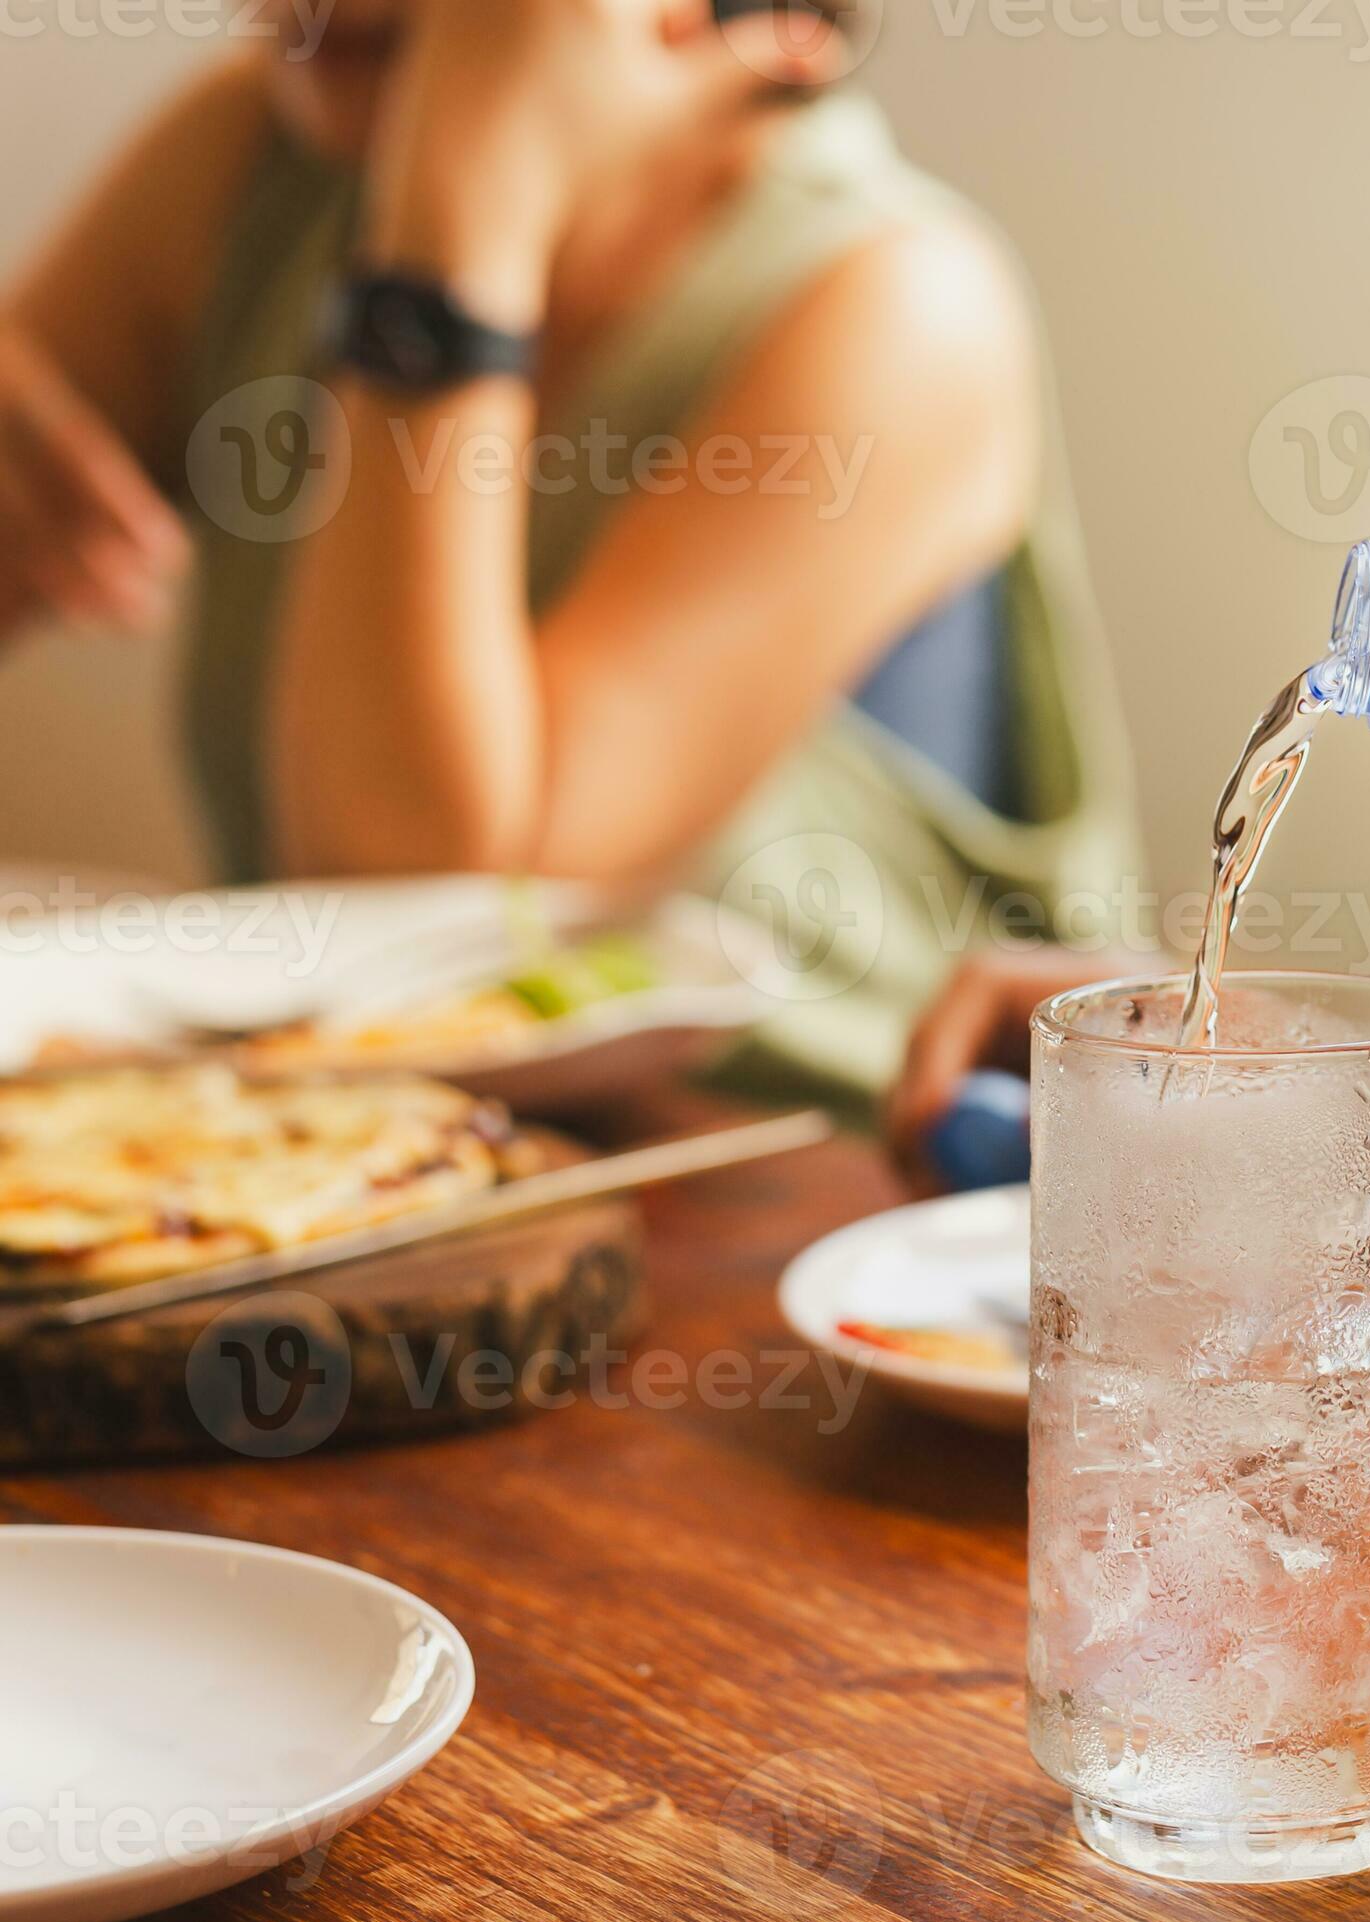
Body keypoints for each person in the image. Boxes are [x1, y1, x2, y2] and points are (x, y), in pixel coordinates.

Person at [0, 0, 1135, 1110]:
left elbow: (426, 909)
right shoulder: (260, 152)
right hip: (314, 1162)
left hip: (811, 1202)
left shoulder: (903, 306)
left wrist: (457, 213)